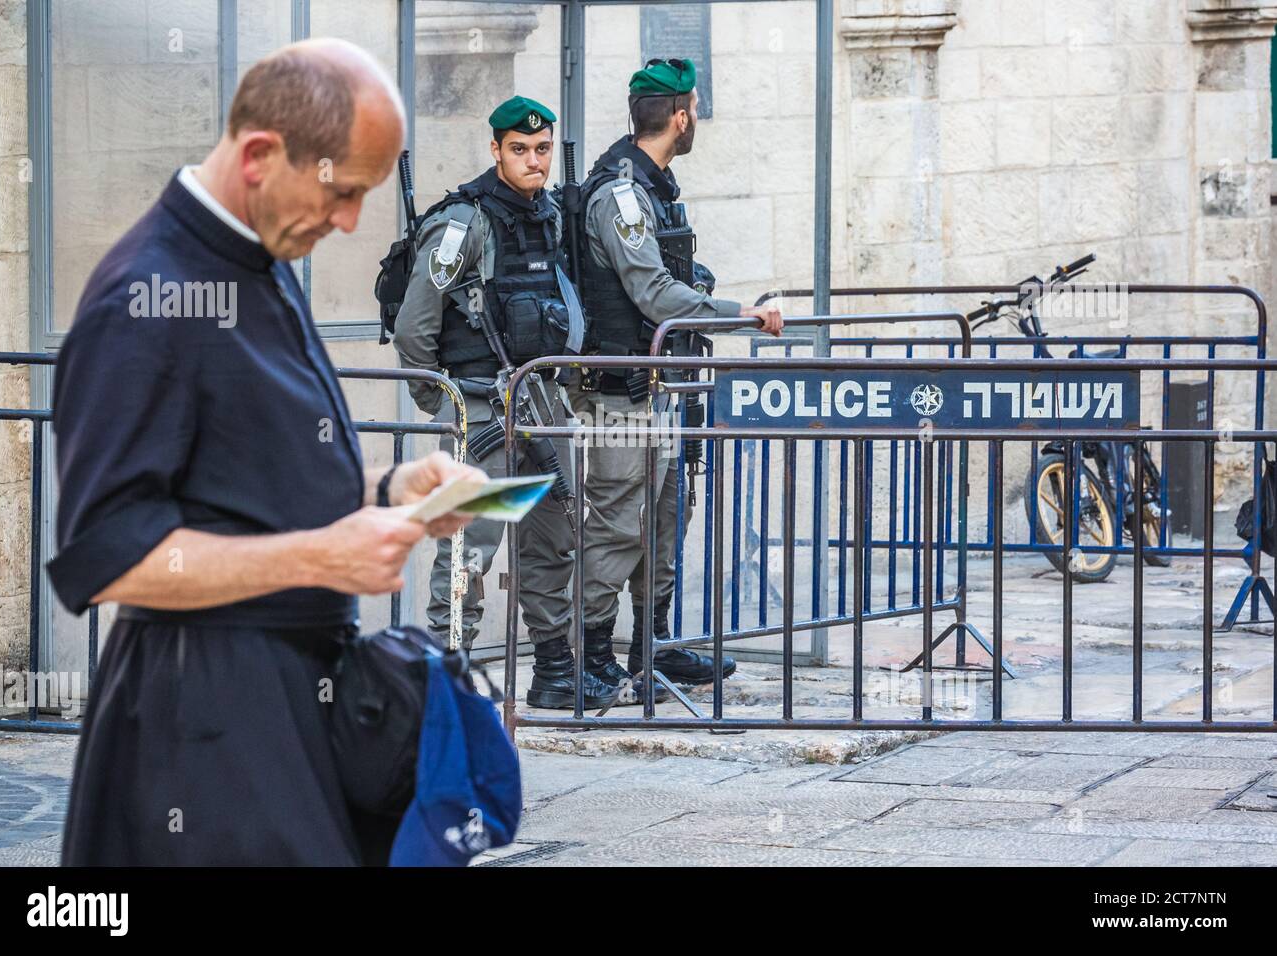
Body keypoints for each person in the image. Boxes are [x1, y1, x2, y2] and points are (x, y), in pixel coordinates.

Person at [48, 38, 484, 866]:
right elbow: (108, 556)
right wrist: (321, 555)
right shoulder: (143, 297)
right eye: (343, 192)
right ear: (259, 154)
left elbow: (254, 483)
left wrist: (395, 489)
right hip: (200, 731)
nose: (350, 220)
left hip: (284, 705)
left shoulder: (261, 257)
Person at [391, 96, 620, 711]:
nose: (533, 160)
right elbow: (415, 331)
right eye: (519, 149)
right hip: (484, 415)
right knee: (469, 549)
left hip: (544, 410)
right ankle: (447, 682)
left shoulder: (549, 216)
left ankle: (552, 671)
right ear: (496, 150)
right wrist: (448, 406)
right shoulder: (464, 224)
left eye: (541, 149)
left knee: (552, 543)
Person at [572, 57, 784, 689]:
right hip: (621, 397)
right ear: (682, 116)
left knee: (664, 523)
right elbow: (654, 294)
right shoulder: (621, 194)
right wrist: (745, 314)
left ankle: (652, 646)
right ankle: (590, 659)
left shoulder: (652, 188)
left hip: (660, 392)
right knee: (616, 530)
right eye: (694, 112)